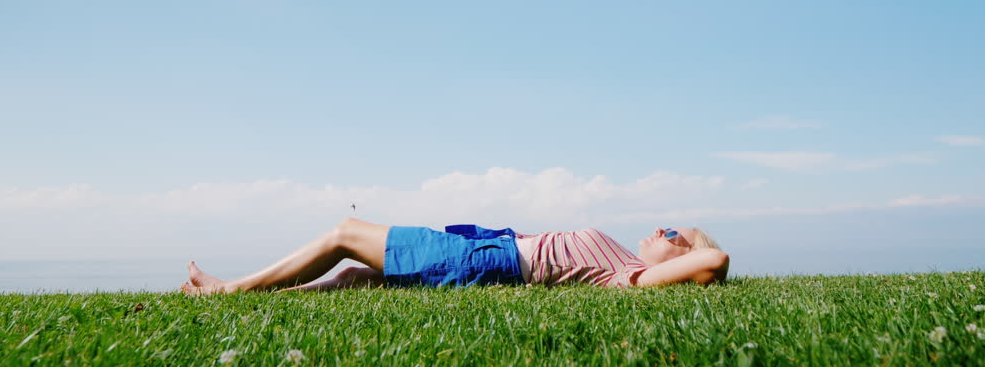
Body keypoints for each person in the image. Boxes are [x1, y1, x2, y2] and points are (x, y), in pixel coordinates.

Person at [180, 218, 729, 294]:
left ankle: (230, 289)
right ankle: (266, 295)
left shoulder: (632, 275)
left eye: (672, 232)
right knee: (352, 276)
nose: (658, 229)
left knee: (345, 233)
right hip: (485, 253)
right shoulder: (626, 264)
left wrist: (700, 254)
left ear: (684, 254)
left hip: (485, 260)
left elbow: (716, 262)